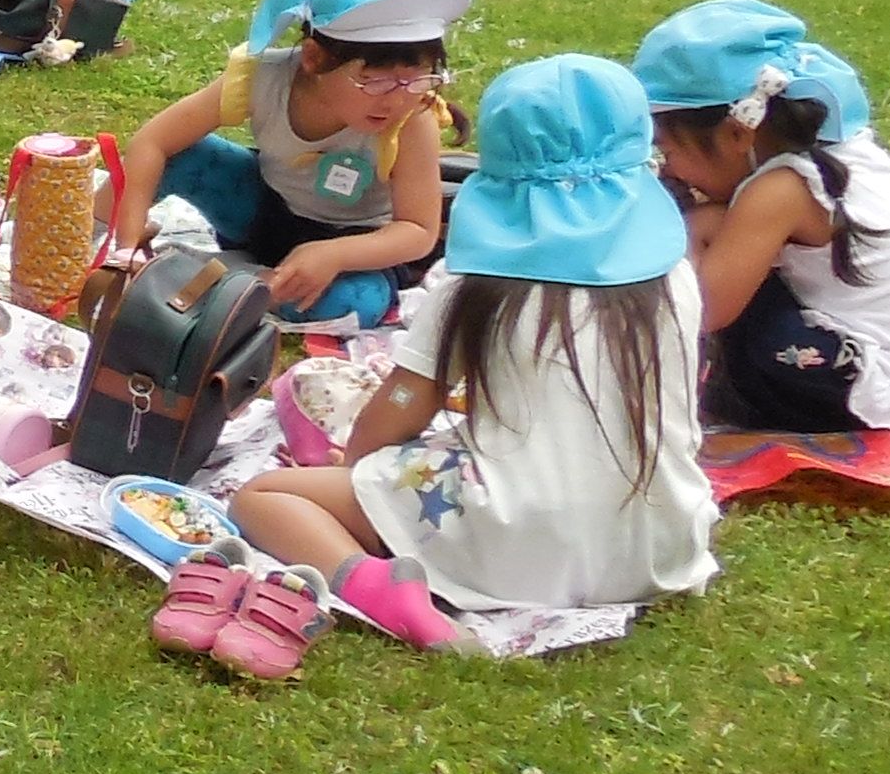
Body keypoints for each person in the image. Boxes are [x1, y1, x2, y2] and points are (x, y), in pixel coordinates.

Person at [208, 55, 715, 672]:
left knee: (265, 497)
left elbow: (399, 406)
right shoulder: (672, 276)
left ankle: (376, 587)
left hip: (511, 533)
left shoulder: (476, 288)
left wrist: (359, 467)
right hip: (658, 540)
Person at [633, 0, 890, 431]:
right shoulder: (845, 152)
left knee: (728, 305)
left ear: (735, 133)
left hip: (855, 394)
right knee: (724, 236)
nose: (667, 167)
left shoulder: (779, 190)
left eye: (668, 151)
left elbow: (705, 313)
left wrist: (685, 234)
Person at [113, 0, 465, 326]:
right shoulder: (263, 78)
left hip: (355, 246)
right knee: (183, 156)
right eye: (373, 82)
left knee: (356, 302)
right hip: (266, 212)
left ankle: (231, 286)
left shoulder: (415, 115)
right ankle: (101, 245)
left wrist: (334, 255)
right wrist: (127, 243)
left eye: (417, 79)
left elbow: (417, 230)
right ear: (314, 58)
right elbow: (153, 141)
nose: (396, 100)